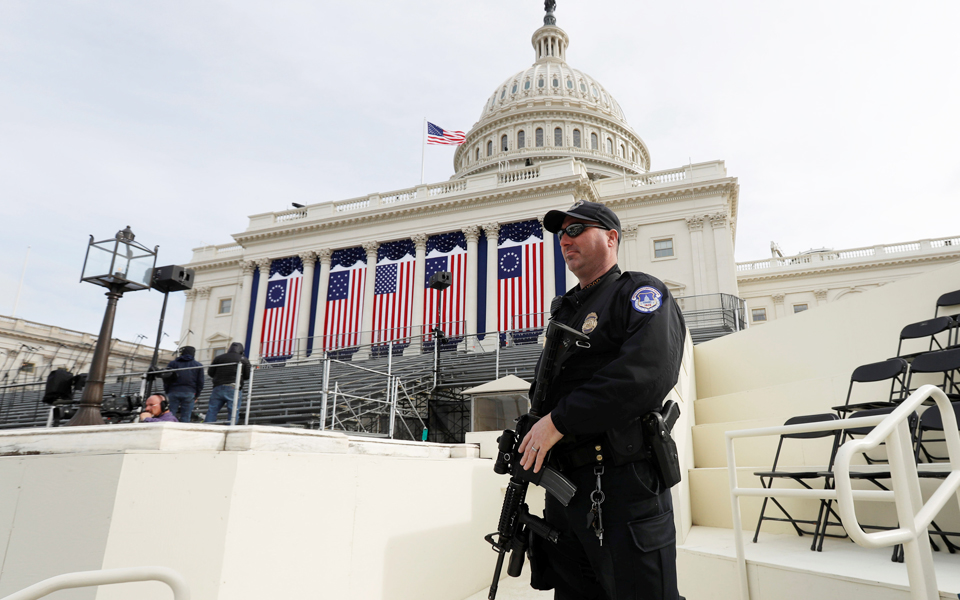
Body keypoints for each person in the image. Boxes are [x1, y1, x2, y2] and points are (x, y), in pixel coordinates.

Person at [518, 200, 686, 600]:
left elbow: (645, 375)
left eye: (577, 230)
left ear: (611, 238)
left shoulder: (639, 292)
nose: (565, 240)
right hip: (566, 490)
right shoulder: (565, 310)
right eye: (561, 234)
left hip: (622, 482)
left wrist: (558, 422)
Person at [205, 342, 251, 424]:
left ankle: (207, 427)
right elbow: (247, 375)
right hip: (233, 387)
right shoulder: (243, 359)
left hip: (218, 386)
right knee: (233, 411)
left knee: (212, 410)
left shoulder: (218, 358)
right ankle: (230, 429)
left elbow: (210, 372)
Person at [162, 346, 204, 423]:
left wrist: (167, 391)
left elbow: (166, 378)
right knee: (186, 416)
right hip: (189, 392)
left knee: (170, 415)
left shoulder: (172, 364)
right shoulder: (198, 365)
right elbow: (200, 382)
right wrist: (197, 395)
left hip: (173, 391)